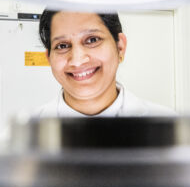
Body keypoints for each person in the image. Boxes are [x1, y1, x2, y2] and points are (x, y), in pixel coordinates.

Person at [35, 9, 175, 117]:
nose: (77, 61)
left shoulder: (170, 127)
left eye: (92, 40)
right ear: (49, 58)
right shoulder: (25, 133)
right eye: (62, 46)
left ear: (120, 47)